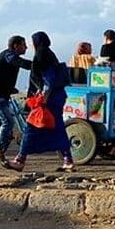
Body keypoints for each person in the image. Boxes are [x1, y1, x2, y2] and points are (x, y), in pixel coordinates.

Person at [7, 32, 74, 172]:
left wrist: (43, 98)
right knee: (57, 128)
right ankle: (68, 160)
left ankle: (20, 160)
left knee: (30, 127)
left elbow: (48, 81)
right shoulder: (50, 54)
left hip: (48, 100)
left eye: (32, 42)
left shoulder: (41, 55)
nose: (31, 45)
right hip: (58, 97)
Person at [0, 35, 32, 165]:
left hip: (2, 94)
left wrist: (11, 88)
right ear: (16, 46)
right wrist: (37, 65)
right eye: (23, 44)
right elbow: (20, 63)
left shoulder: (10, 56)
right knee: (8, 122)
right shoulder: (8, 55)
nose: (26, 47)